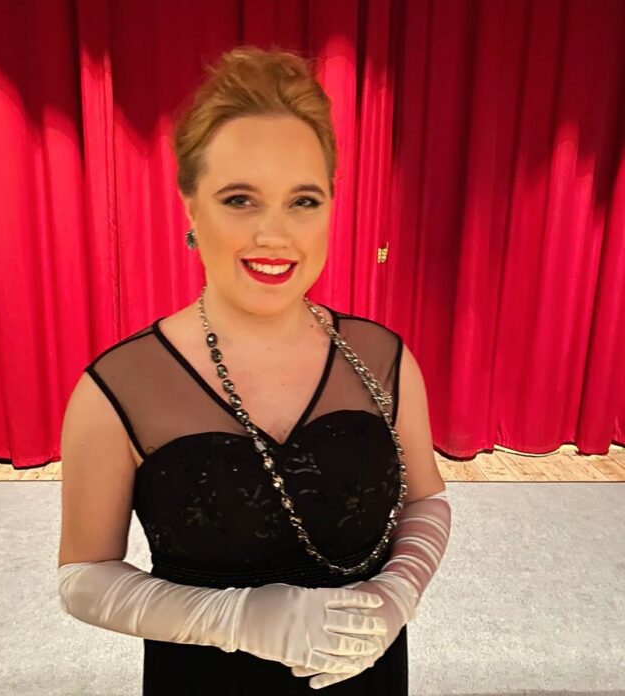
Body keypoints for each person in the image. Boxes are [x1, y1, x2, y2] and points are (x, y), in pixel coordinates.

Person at [57, 45, 451, 694]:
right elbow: (83, 577)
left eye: (304, 200)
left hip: (368, 670)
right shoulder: (120, 387)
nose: (275, 234)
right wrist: (237, 618)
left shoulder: (383, 357)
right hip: (203, 680)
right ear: (191, 208)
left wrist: (398, 592)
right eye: (240, 199)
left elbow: (426, 500)